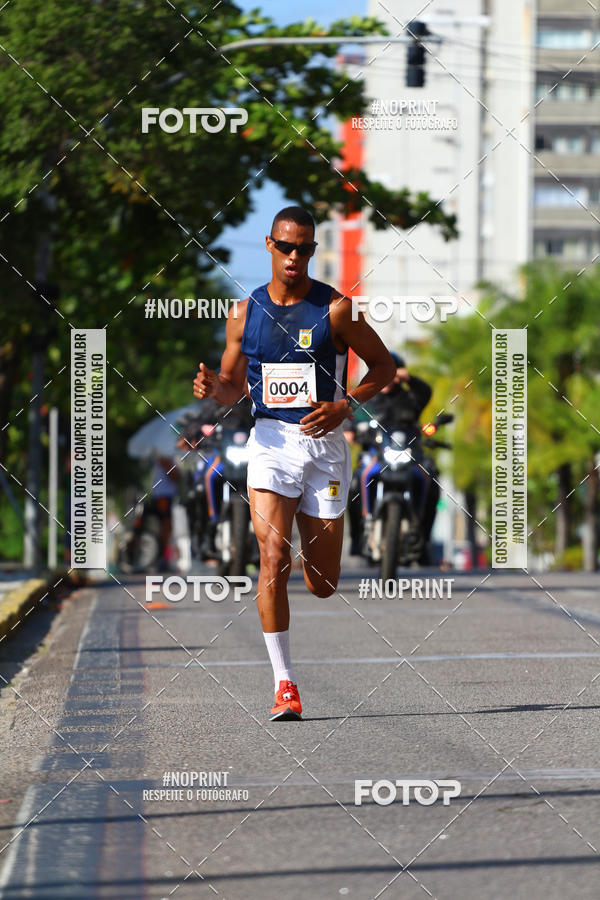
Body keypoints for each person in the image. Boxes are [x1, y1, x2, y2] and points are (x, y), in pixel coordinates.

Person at [193, 205, 395, 720]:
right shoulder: (244, 314)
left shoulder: (336, 310)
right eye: (286, 246)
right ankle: (285, 684)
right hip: (270, 443)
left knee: (323, 582)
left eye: (304, 247)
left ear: (312, 251)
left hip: (324, 447)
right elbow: (232, 385)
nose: (294, 256)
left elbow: (384, 366)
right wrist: (214, 388)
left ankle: (316, 546)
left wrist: (345, 404)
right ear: (269, 245)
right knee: (271, 559)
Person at [349, 353, 439, 561]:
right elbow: (348, 414)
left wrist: (409, 379)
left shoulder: (411, 397)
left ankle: (422, 536)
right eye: (381, 372)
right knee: (355, 484)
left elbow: (426, 391)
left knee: (431, 479)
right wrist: (349, 430)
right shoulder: (366, 399)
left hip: (410, 456)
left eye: (390, 372)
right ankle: (357, 536)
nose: (386, 378)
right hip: (375, 456)